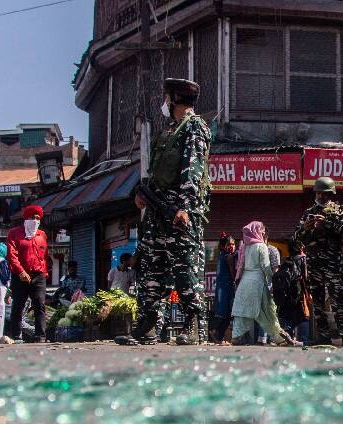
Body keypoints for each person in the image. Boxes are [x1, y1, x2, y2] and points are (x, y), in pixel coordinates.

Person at [119, 78, 213, 346]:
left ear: (174, 99)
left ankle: (193, 326)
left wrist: (184, 207)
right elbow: (156, 173)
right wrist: (142, 194)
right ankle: (147, 326)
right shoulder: (169, 130)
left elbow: (192, 172)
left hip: (178, 212)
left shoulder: (195, 127)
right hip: (157, 211)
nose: (164, 102)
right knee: (152, 270)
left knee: (184, 270)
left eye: (166, 97)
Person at [292, 176, 343, 345]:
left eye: (325, 194)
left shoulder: (340, 210)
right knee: (317, 302)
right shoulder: (308, 213)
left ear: (330, 194)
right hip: (314, 263)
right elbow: (297, 239)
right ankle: (323, 337)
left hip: (333, 263)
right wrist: (305, 228)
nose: (321, 197)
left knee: (338, 301)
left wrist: (327, 223)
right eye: (319, 193)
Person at [231, 221, 293, 346]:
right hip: (258, 282)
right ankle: (278, 337)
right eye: (262, 230)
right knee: (268, 311)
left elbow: (240, 266)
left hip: (244, 283)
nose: (264, 233)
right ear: (257, 231)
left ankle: (236, 336)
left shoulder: (244, 246)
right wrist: (272, 282)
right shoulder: (261, 246)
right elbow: (266, 267)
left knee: (242, 311)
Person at [5, 205, 50, 341]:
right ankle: (16, 335)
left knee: (40, 305)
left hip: (38, 275)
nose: (35, 221)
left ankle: (40, 336)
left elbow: (44, 256)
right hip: (20, 276)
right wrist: (21, 272)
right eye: (32, 218)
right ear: (26, 218)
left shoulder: (42, 235)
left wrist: (45, 272)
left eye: (38, 218)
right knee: (18, 306)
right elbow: (12, 255)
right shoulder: (14, 233)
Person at [273, 245, 311, 344]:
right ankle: (302, 338)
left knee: (290, 315)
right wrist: (308, 293)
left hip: (287, 293)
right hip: (299, 291)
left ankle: (289, 335)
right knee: (304, 315)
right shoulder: (303, 259)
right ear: (301, 248)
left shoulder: (286, 260)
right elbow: (305, 277)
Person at [212, 234, 237, 343]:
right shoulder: (229, 257)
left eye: (233, 244)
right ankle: (215, 331)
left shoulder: (221, 255)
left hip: (221, 287)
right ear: (222, 246)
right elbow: (233, 273)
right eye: (228, 244)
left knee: (224, 313)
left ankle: (218, 336)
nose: (231, 246)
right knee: (226, 313)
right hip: (226, 287)